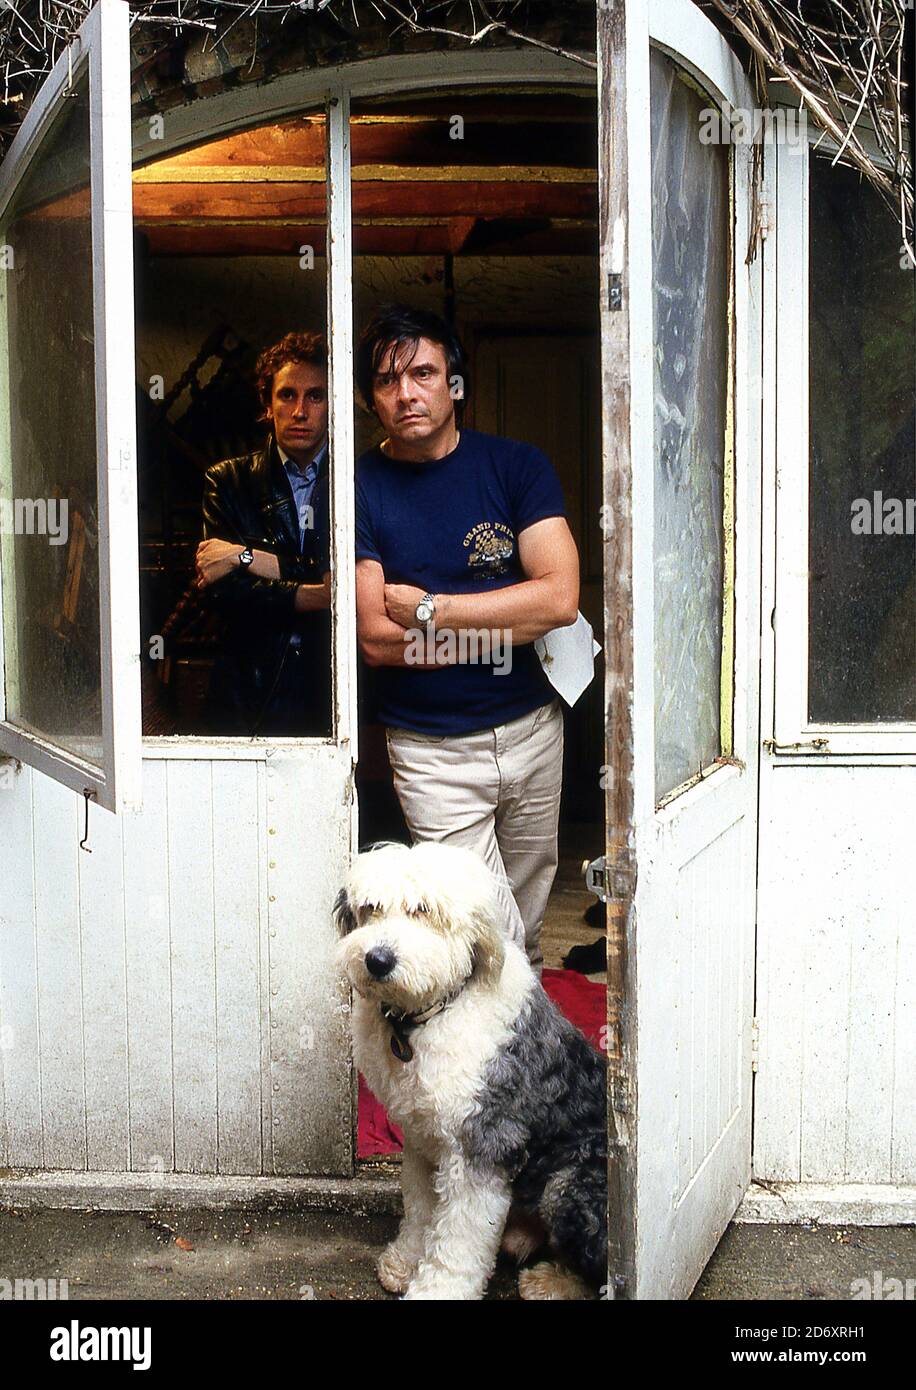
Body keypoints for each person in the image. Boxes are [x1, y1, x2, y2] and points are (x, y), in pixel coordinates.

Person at [353, 304, 580, 972]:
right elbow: (373, 637)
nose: (406, 393)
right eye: (388, 381)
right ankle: (496, 1064)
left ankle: (514, 1056)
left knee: (528, 924)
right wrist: (505, 626)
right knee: (491, 931)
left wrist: (432, 611)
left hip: (533, 727)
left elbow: (561, 597)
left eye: (423, 372)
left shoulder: (516, 467)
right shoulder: (360, 486)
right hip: (431, 750)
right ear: (372, 399)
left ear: (456, 384)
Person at [194, 330, 332, 736]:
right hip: (246, 698)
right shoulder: (229, 480)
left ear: (332, 404)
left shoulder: (358, 483)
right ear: (267, 405)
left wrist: (244, 555)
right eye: (287, 395)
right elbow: (223, 591)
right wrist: (316, 593)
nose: (300, 411)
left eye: (315, 396)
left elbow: (360, 582)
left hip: (331, 697)